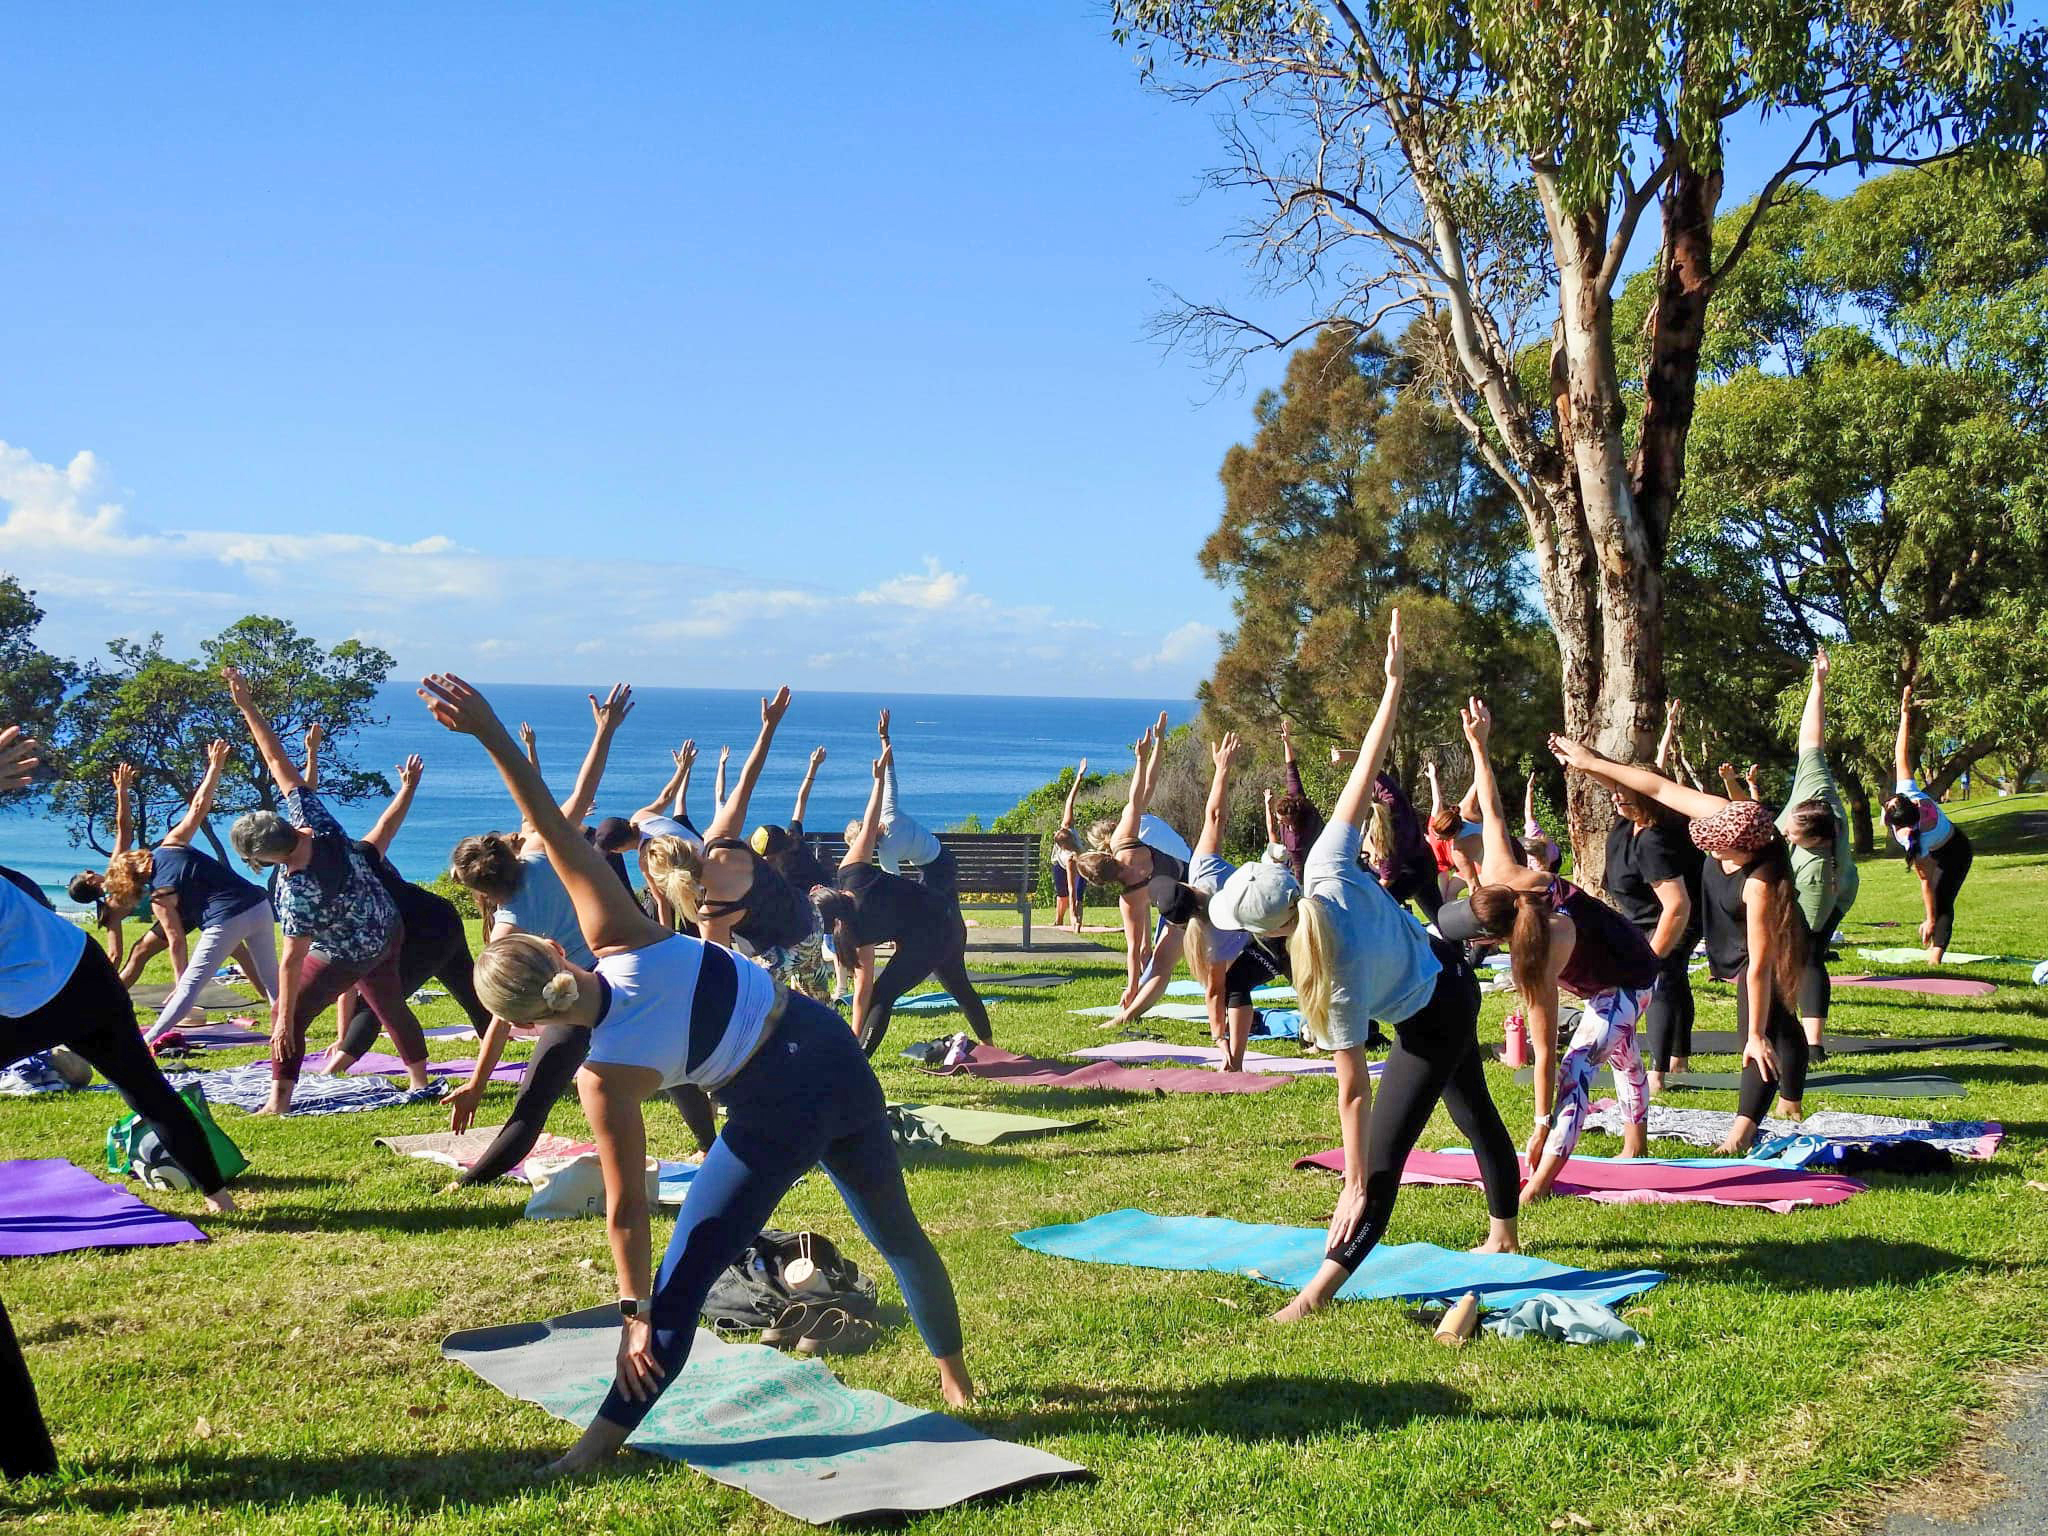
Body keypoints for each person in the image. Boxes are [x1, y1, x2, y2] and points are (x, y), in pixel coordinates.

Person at [414, 671, 971, 1476]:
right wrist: (493, 734)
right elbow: (550, 822)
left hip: (778, 1108)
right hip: (835, 1057)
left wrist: (636, 1313)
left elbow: (627, 1213)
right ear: (557, 949)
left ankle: (591, 1451)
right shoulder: (621, 931)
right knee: (900, 1236)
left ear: (531, 1023)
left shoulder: (604, 1078)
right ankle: (955, 1380)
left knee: (682, 1282)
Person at [1206, 612, 1521, 1323]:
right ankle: (1502, 1231)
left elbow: (1355, 1097)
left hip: (1433, 1012)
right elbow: (1362, 767)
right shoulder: (1322, 866)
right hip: (1448, 977)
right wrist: (1392, 686)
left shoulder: (1330, 974)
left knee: (1381, 1164)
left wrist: (1352, 1181)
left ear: (1266, 934)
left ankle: (1313, 1298)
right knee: (1473, 1112)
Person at [442, 688, 718, 1181]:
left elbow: (502, 1011)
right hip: (636, 974)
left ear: (476, 888)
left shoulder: (507, 928)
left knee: (533, 1101)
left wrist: (479, 1084)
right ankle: (712, 1146)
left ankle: (469, 1184)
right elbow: (579, 788)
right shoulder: (543, 846)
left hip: (575, 997)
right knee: (673, 1064)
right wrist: (605, 730)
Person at [2, 726, 238, 1211]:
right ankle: (220, 1198)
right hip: (85, 975)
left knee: (144, 1086)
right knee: (144, 1086)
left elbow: (125, 835)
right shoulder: (101, 901)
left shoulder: (111, 890)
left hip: (59, 989)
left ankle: (218, 1193)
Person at [1549, 735, 1810, 1153]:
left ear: (1744, 850)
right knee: (1781, 1024)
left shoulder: (1761, 884)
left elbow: (1760, 965)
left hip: (1765, 945)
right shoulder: (1729, 815)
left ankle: (1741, 1133)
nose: (1707, 846)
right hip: (1725, 931)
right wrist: (1588, 762)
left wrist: (1755, 1034)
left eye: (1716, 845)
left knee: (1759, 1032)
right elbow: (1655, 787)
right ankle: (1792, 1101)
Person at [1447, 699, 1658, 1202]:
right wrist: (1478, 745)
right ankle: (1636, 1147)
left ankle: (1540, 1185)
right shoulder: (1502, 875)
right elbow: (1492, 808)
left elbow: (1546, 1055)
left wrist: (1541, 1125)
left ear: (1496, 938)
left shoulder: (1540, 948)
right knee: (1623, 1055)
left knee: (1578, 1067)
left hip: (1630, 976)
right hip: (1610, 966)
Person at [219, 668, 433, 1112]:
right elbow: (278, 762)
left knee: (289, 1016)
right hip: (385, 927)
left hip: (350, 948)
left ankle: (278, 1103)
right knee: (388, 1004)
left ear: (270, 857)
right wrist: (247, 706)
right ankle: (419, 1082)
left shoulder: (298, 891)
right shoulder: (319, 825)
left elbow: (292, 959)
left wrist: (281, 1019)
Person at [637, 688, 835, 1003]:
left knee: (747, 1001)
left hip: (783, 952)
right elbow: (746, 780)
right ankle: (834, 1039)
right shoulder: (720, 839)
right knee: (820, 1006)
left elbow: (721, 968)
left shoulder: (710, 912)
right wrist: (769, 727)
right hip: (810, 920)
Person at [95, 739, 282, 1045]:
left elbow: (177, 940)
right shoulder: (171, 843)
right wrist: (215, 766)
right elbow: (198, 806)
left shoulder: (159, 895)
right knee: (272, 982)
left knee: (188, 990)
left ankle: (149, 1041)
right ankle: (283, 1033)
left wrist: (181, 979)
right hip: (258, 905)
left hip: (227, 918)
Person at [816, 744, 993, 1056]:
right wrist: (877, 779)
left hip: (935, 930)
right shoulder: (851, 872)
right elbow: (870, 822)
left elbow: (865, 990)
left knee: (884, 995)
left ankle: (858, 1065)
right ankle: (991, 1048)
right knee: (955, 985)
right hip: (939, 919)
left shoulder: (850, 932)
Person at [324, 755, 495, 1066]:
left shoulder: (341, 882)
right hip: (441, 917)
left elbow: (387, 826)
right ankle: (493, 1051)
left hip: (427, 928)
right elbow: (386, 826)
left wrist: (409, 788)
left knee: (378, 1002)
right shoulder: (356, 860)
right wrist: (409, 787)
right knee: (473, 995)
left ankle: (333, 1072)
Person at [1602, 731, 1703, 1095]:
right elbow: (1620, 780)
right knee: (1674, 981)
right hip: (1642, 917)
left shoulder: (1653, 842)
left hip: (1671, 920)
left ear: (1642, 800)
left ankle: (1659, 1074)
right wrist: (1580, 758)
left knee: (1660, 982)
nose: (1615, 796)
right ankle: (1679, 1058)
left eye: (1623, 793)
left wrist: (1652, 956)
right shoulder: (1628, 820)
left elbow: (1677, 906)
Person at [1074, 714, 1194, 1009]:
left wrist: (1131, 985)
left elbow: (1134, 949)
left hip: (1183, 901)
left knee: (1161, 962)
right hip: (1196, 881)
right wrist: (1145, 755)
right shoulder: (1123, 841)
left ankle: (1135, 1003)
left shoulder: (1129, 897)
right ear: (1104, 854)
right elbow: (1140, 791)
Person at [1777, 650, 1858, 1064]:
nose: (1785, 828)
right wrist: (1818, 684)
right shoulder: (1814, 790)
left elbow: (1806, 929)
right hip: (1809, 879)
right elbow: (1812, 739)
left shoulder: (1817, 872)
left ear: (1812, 842)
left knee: (1808, 953)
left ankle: (1813, 1044)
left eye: (1791, 832)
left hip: (1835, 894)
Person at [1884, 684, 1973, 965]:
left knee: (1942, 897)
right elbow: (1901, 753)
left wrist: (1930, 918)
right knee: (1936, 895)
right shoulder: (1910, 799)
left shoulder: (1912, 836)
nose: (1889, 801)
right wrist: (1904, 715)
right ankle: (1934, 938)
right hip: (1942, 846)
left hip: (1957, 851)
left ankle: (1936, 953)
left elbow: (1925, 884)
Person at [750, 744, 837, 895]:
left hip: (810, 907)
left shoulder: (776, 876)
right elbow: (801, 800)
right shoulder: (795, 839)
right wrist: (813, 766)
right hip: (828, 894)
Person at [1269, 717, 1326, 882]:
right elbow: (1291, 767)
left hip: (1316, 859)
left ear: (1292, 820)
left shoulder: (1295, 842)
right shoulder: (1297, 797)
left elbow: (1299, 871)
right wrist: (1287, 742)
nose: (1279, 823)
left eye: (1282, 821)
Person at [1049, 756, 1089, 934]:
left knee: (1078, 895)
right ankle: (1059, 921)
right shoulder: (1066, 826)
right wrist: (1078, 777)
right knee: (1062, 896)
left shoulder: (1073, 856)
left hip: (1079, 865)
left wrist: (1074, 915)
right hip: (1060, 864)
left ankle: (1076, 923)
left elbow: (1073, 890)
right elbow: (1069, 801)